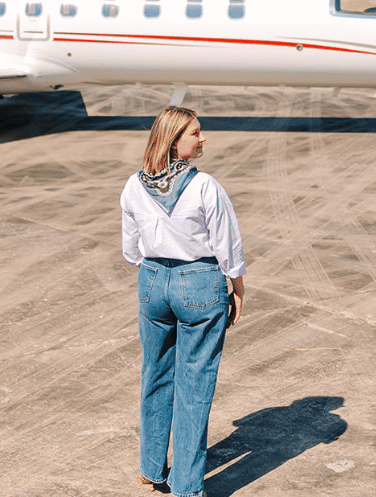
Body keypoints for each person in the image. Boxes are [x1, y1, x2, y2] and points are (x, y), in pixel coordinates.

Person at [121, 106, 246, 497]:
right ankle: (188, 486)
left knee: (155, 374)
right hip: (197, 284)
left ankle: (151, 467)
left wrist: (157, 269)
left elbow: (130, 250)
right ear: (173, 141)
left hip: (152, 280)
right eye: (195, 133)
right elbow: (228, 244)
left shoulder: (134, 185)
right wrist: (237, 287)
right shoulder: (204, 185)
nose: (202, 138)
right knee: (194, 385)